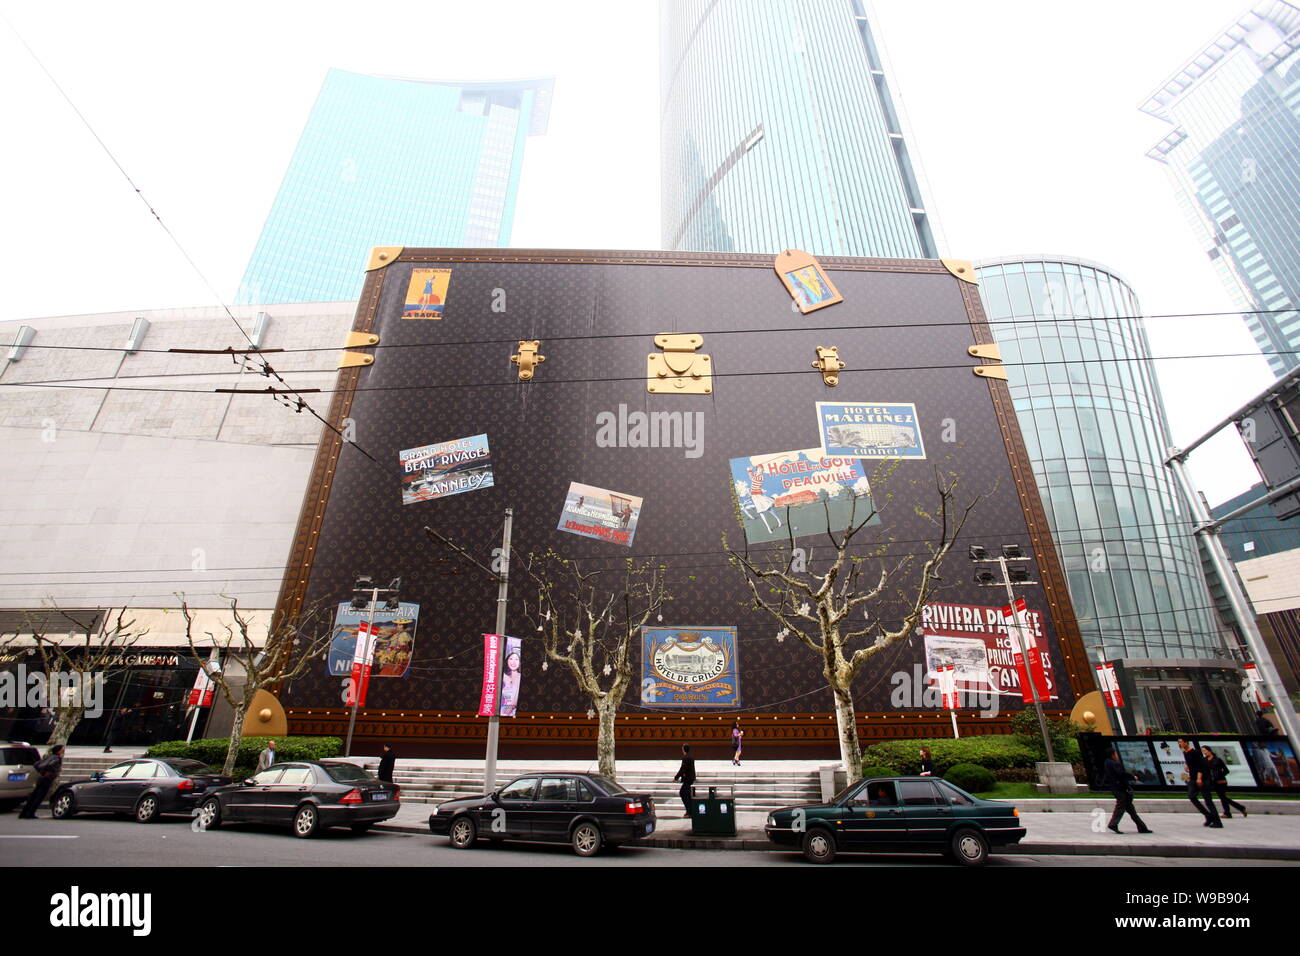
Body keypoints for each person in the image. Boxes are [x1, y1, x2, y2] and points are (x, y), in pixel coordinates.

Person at [1102, 747, 1151, 834]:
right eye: (1115, 753)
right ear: (1113, 755)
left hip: (1115, 787)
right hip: (1120, 788)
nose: (1117, 755)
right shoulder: (1114, 763)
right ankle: (1113, 824)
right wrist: (1133, 777)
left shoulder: (1107, 762)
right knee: (1121, 806)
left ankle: (1142, 827)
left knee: (1130, 808)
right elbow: (1121, 774)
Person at [1178, 738, 1222, 828]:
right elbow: (1192, 764)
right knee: (1191, 796)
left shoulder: (1195, 752)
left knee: (1208, 800)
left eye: (1181, 742)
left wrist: (1199, 778)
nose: (1180, 744)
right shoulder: (1185, 753)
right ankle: (1208, 815)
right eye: (1179, 742)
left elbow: (1201, 766)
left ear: (1186, 742)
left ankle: (1217, 821)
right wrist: (1187, 766)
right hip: (1193, 778)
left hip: (1202, 778)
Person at [18, 743, 64, 819]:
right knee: (39, 797)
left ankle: (24, 813)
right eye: (61, 750)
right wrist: (48, 772)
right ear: (58, 751)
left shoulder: (48, 756)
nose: (62, 751)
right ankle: (30, 813)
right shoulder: (56, 758)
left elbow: (36, 764)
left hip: (41, 778)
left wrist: (41, 772)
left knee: (34, 796)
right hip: (47, 779)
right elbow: (50, 765)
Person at [1202, 746, 1246, 819]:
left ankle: (1229, 812)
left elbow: (1226, 770)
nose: (1204, 752)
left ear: (1209, 751)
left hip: (1220, 781)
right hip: (1211, 782)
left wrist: (1220, 776)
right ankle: (1239, 808)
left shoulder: (1217, 760)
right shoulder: (1204, 760)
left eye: (1205, 750)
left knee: (1222, 797)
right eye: (1203, 751)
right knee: (1223, 797)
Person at [673, 744, 696, 818]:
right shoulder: (691, 757)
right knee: (688, 795)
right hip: (691, 778)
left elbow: (683, 769)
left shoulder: (685, 758)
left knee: (682, 793)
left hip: (688, 779)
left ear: (683, 749)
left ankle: (689, 811)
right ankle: (690, 811)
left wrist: (676, 777)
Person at [500, 651, 521, 718]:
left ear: (520, 663)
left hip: (511, 713)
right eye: (511, 659)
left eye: (516, 659)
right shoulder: (503, 676)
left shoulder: (519, 677)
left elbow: (514, 702)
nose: (513, 662)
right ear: (507, 661)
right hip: (500, 710)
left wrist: (506, 713)